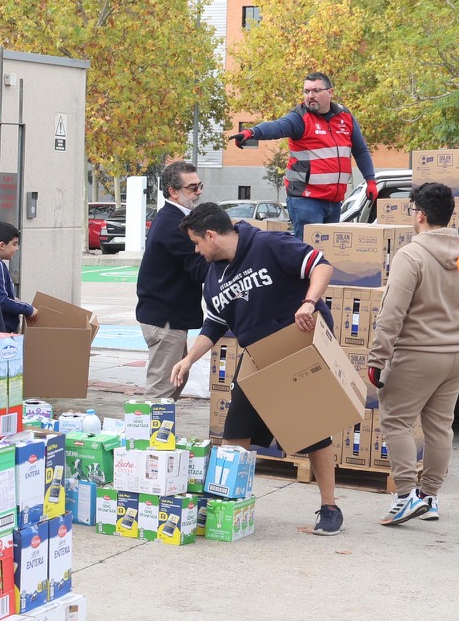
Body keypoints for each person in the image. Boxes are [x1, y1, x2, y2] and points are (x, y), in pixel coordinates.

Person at [168, 202, 346, 535]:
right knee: (234, 433)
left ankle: (330, 507)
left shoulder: (268, 244)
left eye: (196, 242)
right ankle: (229, 504)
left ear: (210, 235)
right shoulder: (213, 276)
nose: (196, 249)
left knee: (312, 430)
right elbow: (214, 325)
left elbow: (321, 266)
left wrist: (308, 302)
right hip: (256, 357)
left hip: (296, 348)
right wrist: (189, 359)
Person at [365, 182, 459, 527]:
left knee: (396, 420)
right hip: (457, 353)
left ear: (420, 215)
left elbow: (392, 312)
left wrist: (377, 357)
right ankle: (429, 497)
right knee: (440, 427)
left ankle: (406, 494)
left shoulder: (411, 255)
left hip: (417, 353)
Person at [229, 71, 378, 239]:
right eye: (306, 91)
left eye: (315, 91)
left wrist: (370, 180)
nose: (310, 96)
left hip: (334, 201)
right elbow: (277, 127)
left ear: (330, 92)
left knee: (326, 255)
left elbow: (360, 150)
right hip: (306, 201)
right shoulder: (300, 118)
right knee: (308, 255)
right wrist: (252, 132)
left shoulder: (345, 117)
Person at [134, 160, 209, 398]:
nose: (198, 193)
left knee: (176, 381)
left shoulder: (175, 218)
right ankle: (147, 434)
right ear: (173, 192)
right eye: (192, 188)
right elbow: (199, 268)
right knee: (162, 391)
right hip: (165, 319)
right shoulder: (173, 224)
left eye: (199, 186)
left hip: (167, 316)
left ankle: (159, 434)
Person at [0, 221, 37, 333]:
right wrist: (28, 309)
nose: (16, 248)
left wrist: (13, 299)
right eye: (14, 244)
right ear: (2, 245)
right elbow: (1, 301)